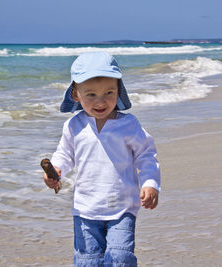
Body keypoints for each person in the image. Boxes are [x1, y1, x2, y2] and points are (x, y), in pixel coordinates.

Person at [43, 51, 161, 266]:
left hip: (122, 206)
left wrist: (150, 183)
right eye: (91, 95)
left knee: (120, 258)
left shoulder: (129, 124)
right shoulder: (73, 126)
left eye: (109, 92)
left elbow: (146, 155)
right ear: (75, 95)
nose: (101, 101)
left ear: (119, 91)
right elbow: (64, 154)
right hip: (85, 208)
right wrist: (56, 170)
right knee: (87, 260)